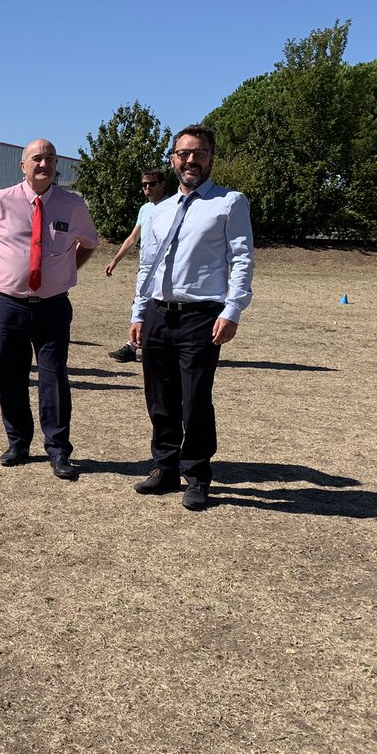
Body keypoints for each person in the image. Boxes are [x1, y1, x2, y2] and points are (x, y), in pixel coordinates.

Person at [129, 124, 254, 511]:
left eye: (199, 153)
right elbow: (147, 263)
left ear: (211, 157)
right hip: (158, 314)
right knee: (160, 397)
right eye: (184, 154)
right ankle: (164, 467)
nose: (191, 161)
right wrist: (138, 311)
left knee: (195, 399)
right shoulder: (159, 210)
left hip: (201, 315)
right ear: (173, 159)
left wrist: (232, 309)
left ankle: (197, 474)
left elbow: (242, 258)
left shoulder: (229, 202)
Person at [0, 139, 99, 480]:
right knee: (10, 375)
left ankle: (58, 449)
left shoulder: (72, 204)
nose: (45, 163)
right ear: (23, 166)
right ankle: (18, 442)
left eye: (50, 158)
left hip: (53, 307)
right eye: (37, 158)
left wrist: (66, 270)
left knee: (53, 378)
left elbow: (90, 243)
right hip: (8, 305)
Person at [108, 169, 169, 363]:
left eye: (152, 184)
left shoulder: (173, 206)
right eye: (144, 185)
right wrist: (115, 260)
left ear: (162, 184)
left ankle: (147, 346)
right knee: (140, 304)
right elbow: (133, 238)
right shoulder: (145, 209)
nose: (147, 188)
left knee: (160, 306)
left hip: (165, 266)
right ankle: (132, 346)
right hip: (146, 266)